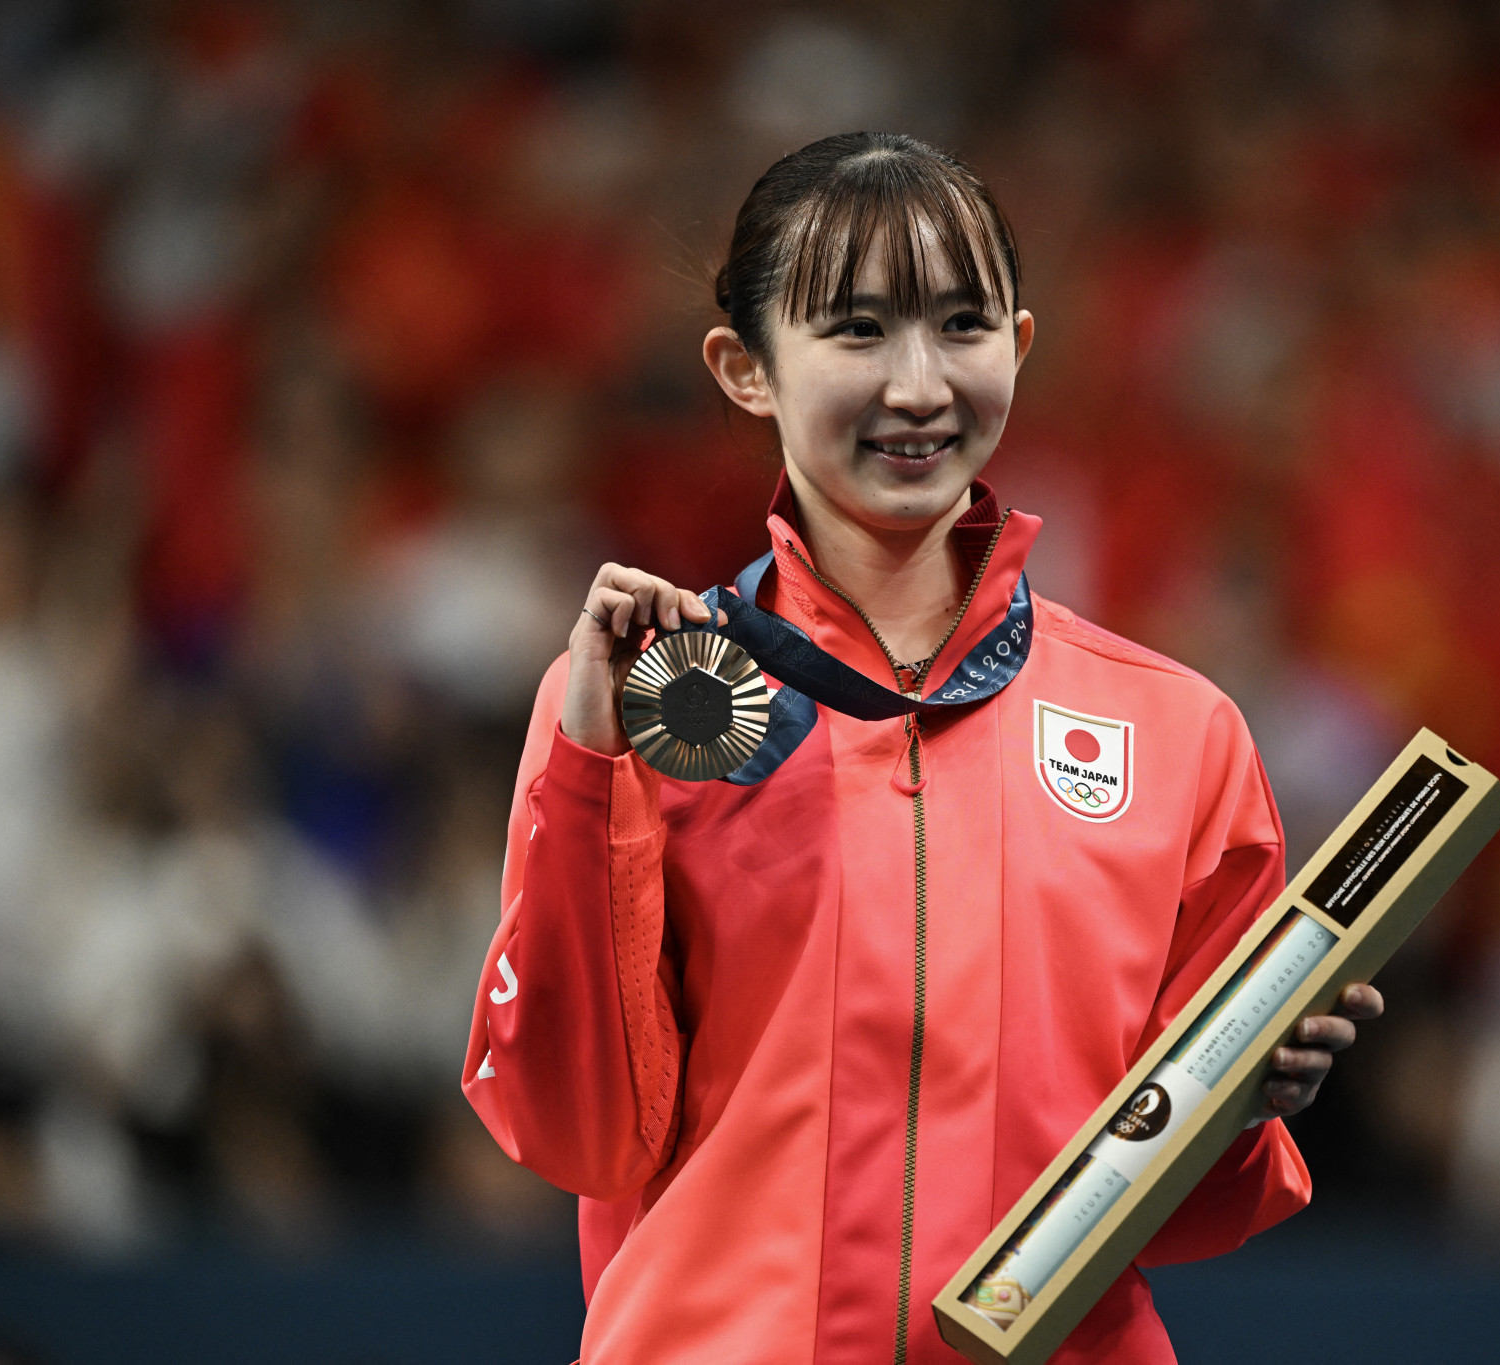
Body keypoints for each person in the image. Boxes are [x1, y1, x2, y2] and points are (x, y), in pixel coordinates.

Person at [462, 132, 1383, 1365]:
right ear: (745, 368)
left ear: (1020, 343)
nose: (917, 386)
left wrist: (1246, 1097)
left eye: (962, 325)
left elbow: (1188, 1206)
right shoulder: (639, 709)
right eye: (853, 331)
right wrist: (584, 770)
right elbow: (569, 1130)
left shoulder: (1174, 734)